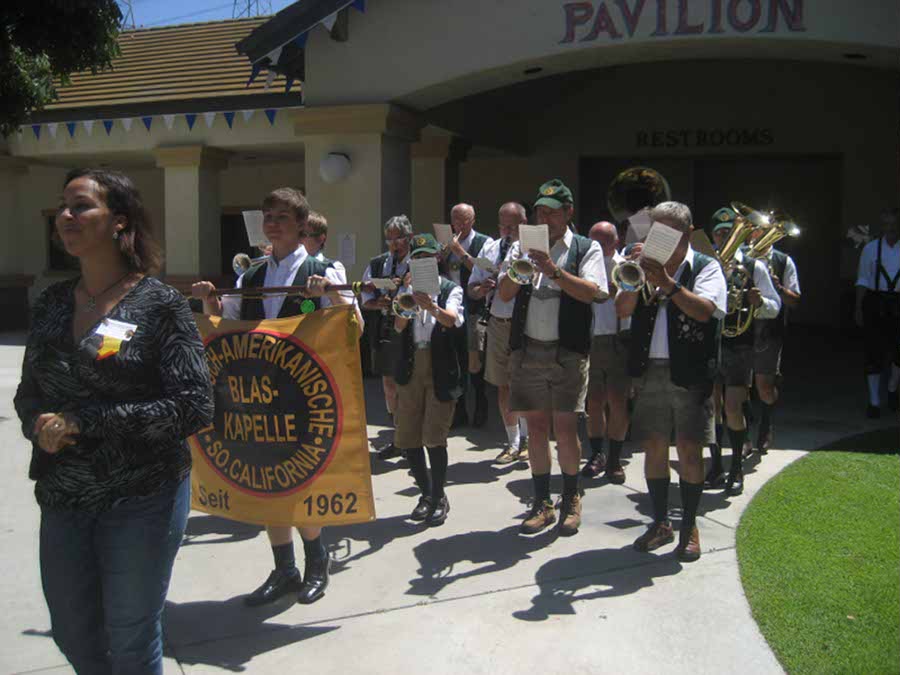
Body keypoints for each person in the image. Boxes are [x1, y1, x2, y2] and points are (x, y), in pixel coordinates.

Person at [15, 168, 214, 674]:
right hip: (64, 495)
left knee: (130, 637)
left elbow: (194, 405)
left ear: (119, 223)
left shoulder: (160, 304)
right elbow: (29, 393)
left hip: (142, 495)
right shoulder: (52, 304)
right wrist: (38, 423)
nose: (65, 216)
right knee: (73, 630)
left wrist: (86, 421)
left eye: (81, 206)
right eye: (63, 206)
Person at [192, 188, 354, 607]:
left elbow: (355, 329)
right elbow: (227, 322)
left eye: (281, 216)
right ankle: (284, 569)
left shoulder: (324, 268)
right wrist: (210, 300)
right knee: (264, 479)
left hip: (304, 394)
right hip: (257, 394)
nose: (272, 223)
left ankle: (317, 564)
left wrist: (330, 296)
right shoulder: (252, 276)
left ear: (301, 224)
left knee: (303, 480)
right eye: (268, 215)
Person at [617, 201, 727, 562]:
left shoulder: (707, 267)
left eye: (662, 233)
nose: (654, 239)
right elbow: (623, 309)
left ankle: (689, 526)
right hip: (649, 369)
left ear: (685, 233)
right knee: (653, 446)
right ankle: (661, 522)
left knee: (689, 449)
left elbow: (705, 311)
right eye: (652, 232)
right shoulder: (642, 262)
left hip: (691, 370)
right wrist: (635, 273)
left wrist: (666, 281)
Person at [497, 179, 607, 537]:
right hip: (528, 348)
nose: (546, 218)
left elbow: (593, 293)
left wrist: (554, 270)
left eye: (553, 211)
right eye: (541, 211)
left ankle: (572, 497)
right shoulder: (522, 246)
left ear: (569, 212)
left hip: (567, 351)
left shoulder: (586, 248)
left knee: (565, 428)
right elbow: (505, 292)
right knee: (539, 428)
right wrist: (521, 266)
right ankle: (542, 502)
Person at [705, 208, 781, 494]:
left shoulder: (753, 266)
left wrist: (757, 302)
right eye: (720, 232)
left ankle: (736, 467)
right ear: (712, 235)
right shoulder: (705, 262)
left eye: (730, 230)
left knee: (733, 407)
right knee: (712, 407)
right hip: (710, 342)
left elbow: (775, 308)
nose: (725, 235)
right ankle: (715, 465)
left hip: (739, 342)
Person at [392, 233, 465, 525]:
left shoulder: (451, 289)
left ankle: (438, 495)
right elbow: (398, 326)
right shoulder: (405, 289)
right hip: (411, 366)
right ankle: (426, 494)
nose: (422, 261)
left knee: (434, 437)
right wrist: (408, 298)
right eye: (417, 257)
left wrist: (431, 305)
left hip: (439, 367)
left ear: (437, 259)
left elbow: (452, 321)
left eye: (427, 257)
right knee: (409, 437)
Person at [468, 202, 529, 464]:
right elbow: (471, 287)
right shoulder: (491, 248)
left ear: (523, 224)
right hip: (497, 320)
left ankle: (528, 440)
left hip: (525, 323)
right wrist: (480, 289)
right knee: (503, 385)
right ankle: (512, 442)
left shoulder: (531, 246)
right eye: (503, 225)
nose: (507, 231)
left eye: (512, 226)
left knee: (525, 385)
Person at [581, 221, 631, 484]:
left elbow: (628, 302)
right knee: (594, 402)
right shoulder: (585, 264)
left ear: (615, 243)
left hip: (615, 338)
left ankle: (614, 458)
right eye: (593, 241)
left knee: (618, 401)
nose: (597, 247)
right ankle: (597, 453)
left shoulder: (624, 267)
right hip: (590, 338)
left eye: (603, 242)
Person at [361, 215, 412, 459]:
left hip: (411, 330)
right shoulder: (378, 263)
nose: (394, 243)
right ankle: (398, 436)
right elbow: (363, 297)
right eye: (389, 239)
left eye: (398, 238)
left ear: (409, 237)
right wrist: (376, 301)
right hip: (384, 327)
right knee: (389, 384)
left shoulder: (421, 260)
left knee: (409, 385)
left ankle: (411, 440)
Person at [747, 224, 801, 452]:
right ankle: (744, 432)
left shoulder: (783, 260)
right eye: (756, 229)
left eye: (765, 230)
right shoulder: (741, 255)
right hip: (742, 328)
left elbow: (795, 300)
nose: (758, 234)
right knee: (736, 385)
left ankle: (767, 424)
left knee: (764, 387)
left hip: (768, 331)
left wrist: (777, 288)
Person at [445, 203, 494, 427]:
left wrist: (459, 252)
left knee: (473, 359)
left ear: (473, 221)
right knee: (455, 358)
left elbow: (485, 269)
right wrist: (440, 255)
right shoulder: (447, 241)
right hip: (452, 304)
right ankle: (460, 409)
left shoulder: (484, 242)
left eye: (463, 221)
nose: (458, 225)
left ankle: (481, 404)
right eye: (455, 220)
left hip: (473, 306)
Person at [855, 207, 900, 418]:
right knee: (874, 353)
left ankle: (892, 388)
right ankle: (874, 401)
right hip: (876, 302)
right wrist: (858, 307)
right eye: (886, 225)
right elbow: (863, 279)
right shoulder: (871, 249)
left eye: (894, 225)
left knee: (898, 354)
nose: (890, 229)